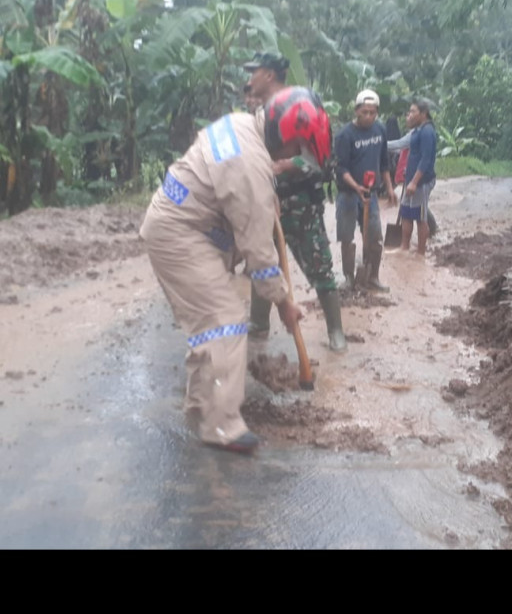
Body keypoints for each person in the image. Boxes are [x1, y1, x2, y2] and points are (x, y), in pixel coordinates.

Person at [138, 104, 304, 455]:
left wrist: (266, 179)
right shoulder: (252, 170)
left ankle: (200, 405)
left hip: (177, 223)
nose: (294, 158)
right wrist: (285, 303)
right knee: (225, 319)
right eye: (295, 150)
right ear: (283, 137)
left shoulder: (244, 125)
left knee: (209, 325)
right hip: (181, 232)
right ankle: (220, 424)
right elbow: (260, 256)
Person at [243, 53, 349, 354]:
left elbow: (320, 161)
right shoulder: (258, 115)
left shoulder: (299, 105)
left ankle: (336, 331)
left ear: (270, 76)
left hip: (300, 204)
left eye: (256, 72)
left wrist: (286, 165)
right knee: (262, 265)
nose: (250, 79)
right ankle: (259, 324)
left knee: (320, 266)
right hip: (267, 202)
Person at [334, 89, 396, 292]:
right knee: (347, 238)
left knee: (375, 237)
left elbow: (384, 161)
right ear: (356, 111)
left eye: (373, 112)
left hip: (372, 194)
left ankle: (372, 277)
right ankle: (349, 278)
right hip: (348, 195)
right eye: (364, 112)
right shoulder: (345, 135)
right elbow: (340, 168)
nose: (369, 116)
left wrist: (389, 187)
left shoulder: (380, 130)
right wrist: (356, 186)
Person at [400, 98, 438, 255]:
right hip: (411, 181)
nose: (409, 114)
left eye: (413, 111)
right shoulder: (417, 131)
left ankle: (421, 252)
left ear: (423, 114)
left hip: (421, 182)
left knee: (420, 218)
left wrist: (414, 182)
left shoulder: (428, 132)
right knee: (406, 213)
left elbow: (426, 159)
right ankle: (404, 247)